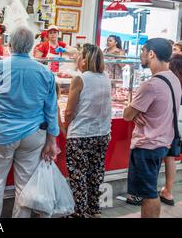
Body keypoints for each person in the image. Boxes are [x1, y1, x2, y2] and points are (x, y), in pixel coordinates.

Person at [0, 26, 59, 218]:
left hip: (2, 134)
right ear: (31, 46)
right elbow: (51, 109)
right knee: (25, 186)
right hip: (33, 136)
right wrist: (52, 140)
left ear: (10, 44)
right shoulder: (45, 72)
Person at [123, 38, 181, 218]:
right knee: (150, 190)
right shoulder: (174, 79)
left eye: (143, 50)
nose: (140, 54)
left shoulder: (150, 85)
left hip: (147, 145)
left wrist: (134, 110)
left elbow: (127, 115)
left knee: (148, 194)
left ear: (151, 54)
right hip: (162, 142)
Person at [63, 44, 112, 218]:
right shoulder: (106, 77)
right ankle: (94, 209)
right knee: (95, 174)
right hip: (102, 133)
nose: (76, 58)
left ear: (85, 59)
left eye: (79, 55)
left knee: (78, 175)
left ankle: (79, 212)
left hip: (81, 135)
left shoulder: (80, 78)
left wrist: (65, 126)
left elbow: (69, 111)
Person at [159, 53, 182, 206]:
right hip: (177, 124)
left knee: (166, 156)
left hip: (173, 123)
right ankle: (168, 190)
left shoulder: (173, 83)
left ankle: (166, 191)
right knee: (170, 157)